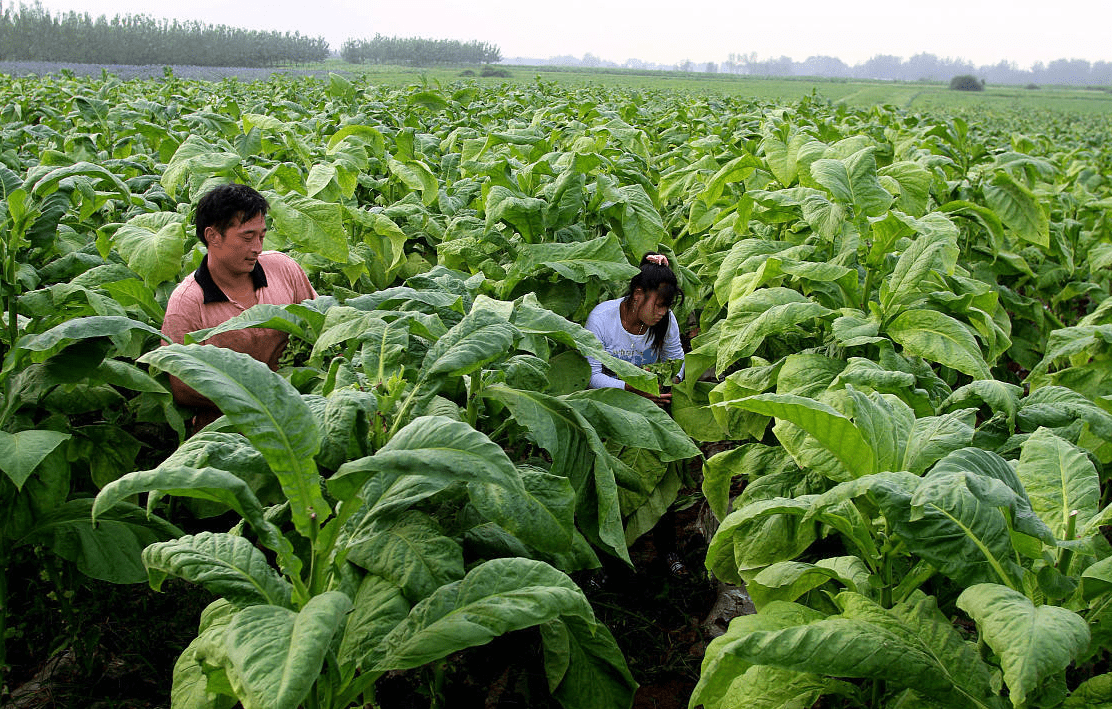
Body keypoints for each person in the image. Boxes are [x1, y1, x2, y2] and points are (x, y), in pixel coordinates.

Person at [161, 183, 317, 428]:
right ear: (213, 236)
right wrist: (258, 402)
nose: (257, 247)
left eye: (262, 236)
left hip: (298, 419)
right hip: (229, 435)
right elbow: (183, 387)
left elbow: (319, 327)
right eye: (247, 237)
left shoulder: (283, 269)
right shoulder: (187, 301)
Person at [585, 252, 685, 404]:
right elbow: (592, 375)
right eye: (659, 305)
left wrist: (667, 386)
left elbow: (676, 359)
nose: (662, 312)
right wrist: (629, 388)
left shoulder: (667, 319)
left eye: (666, 306)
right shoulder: (601, 318)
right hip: (607, 401)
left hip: (650, 401)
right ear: (638, 294)